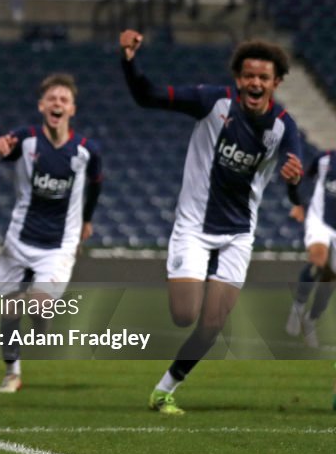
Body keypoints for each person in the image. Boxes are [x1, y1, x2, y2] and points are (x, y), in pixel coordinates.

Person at [119, 30, 303, 415]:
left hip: (238, 235)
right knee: (184, 314)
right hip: (194, 228)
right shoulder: (212, 102)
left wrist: (294, 182)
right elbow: (147, 96)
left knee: (212, 324)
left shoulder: (285, 127)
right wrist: (130, 60)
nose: (255, 83)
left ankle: (164, 390)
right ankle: (183, 272)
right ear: (239, 79)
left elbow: (293, 179)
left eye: (263, 78)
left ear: (276, 83)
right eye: (249, 75)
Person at [0, 73, 102, 393]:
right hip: (19, 239)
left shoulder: (87, 150)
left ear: (72, 109)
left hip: (59, 245)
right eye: (52, 99)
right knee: (8, 310)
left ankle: (41, 317)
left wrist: (87, 220)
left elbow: (97, 186)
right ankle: (12, 372)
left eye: (64, 100)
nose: (58, 103)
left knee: (37, 306)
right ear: (42, 105)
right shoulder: (25, 139)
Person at [285, 149, 336, 348]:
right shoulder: (325, 159)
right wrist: (298, 203)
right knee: (317, 260)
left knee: (330, 279)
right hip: (319, 219)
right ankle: (297, 308)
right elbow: (305, 178)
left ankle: (311, 319)